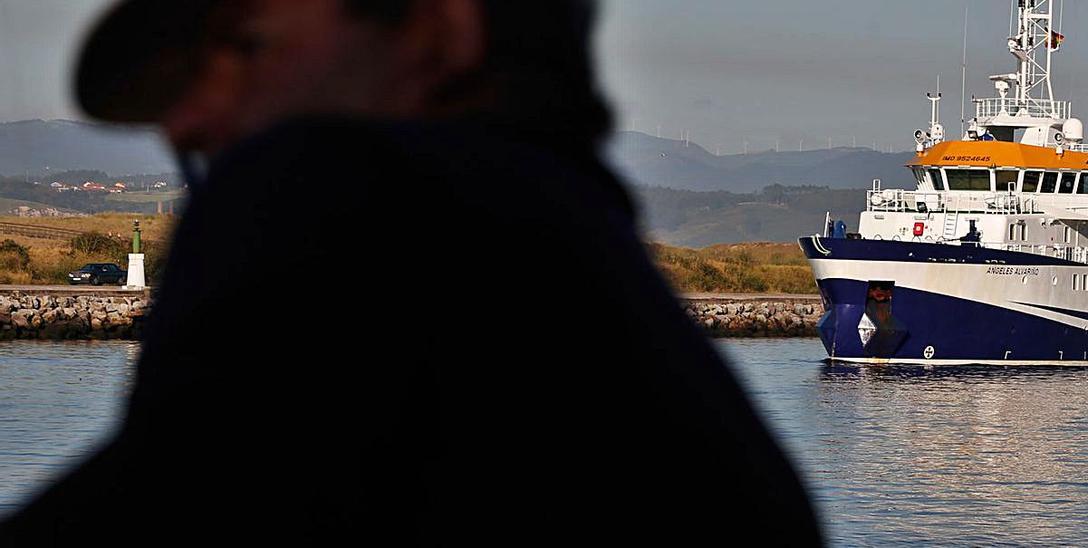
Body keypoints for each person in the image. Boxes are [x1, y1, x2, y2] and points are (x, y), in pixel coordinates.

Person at [0, 0, 823, 544]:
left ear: (439, 32)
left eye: (244, 47)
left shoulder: (333, 186)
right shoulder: (589, 281)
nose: (188, 117)